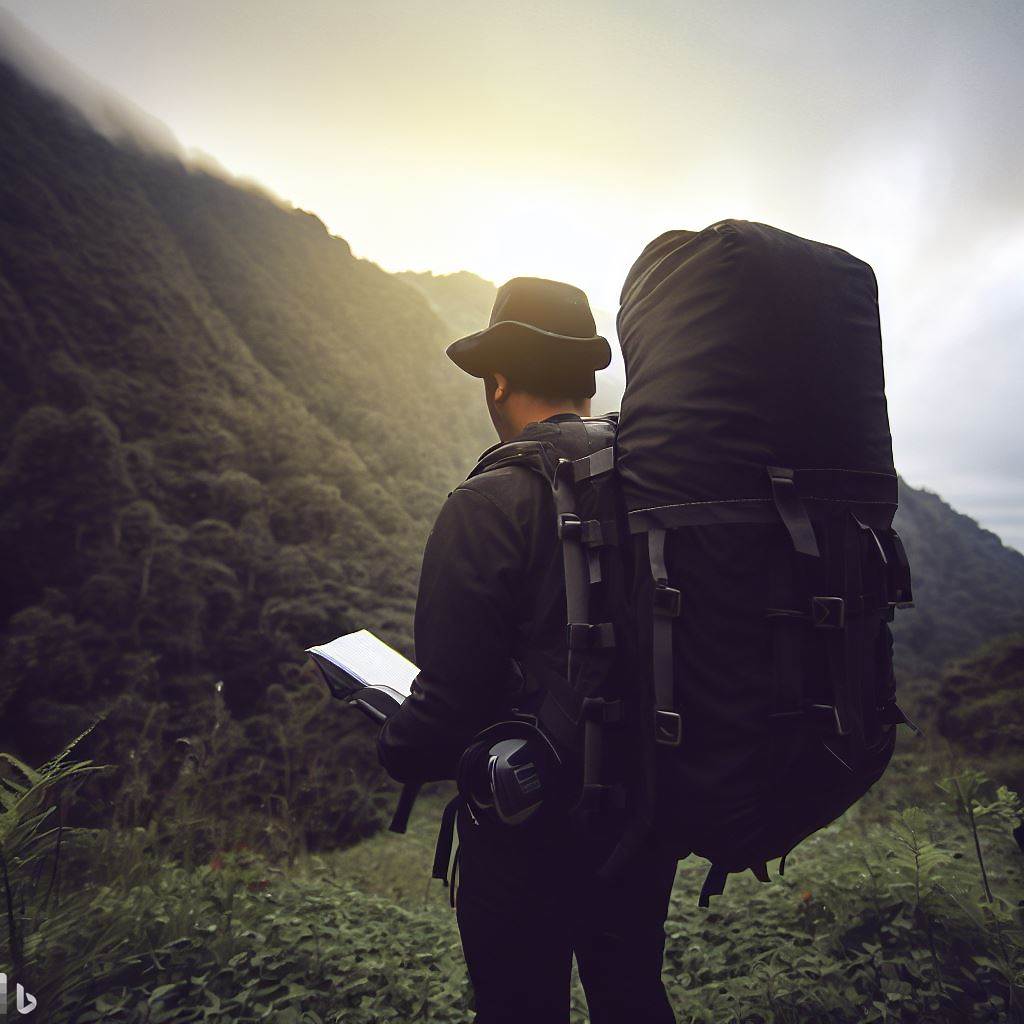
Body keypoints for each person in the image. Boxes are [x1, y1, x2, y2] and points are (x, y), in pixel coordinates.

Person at [377, 277, 678, 1024]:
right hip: (640, 818)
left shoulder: (484, 505)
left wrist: (396, 743)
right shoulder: (656, 489)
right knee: (634, 994)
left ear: (498, 379)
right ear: (587, 382)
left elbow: (449, 706)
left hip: (521, 835)